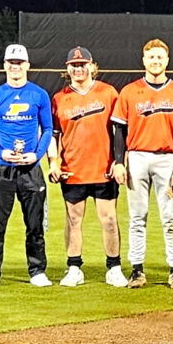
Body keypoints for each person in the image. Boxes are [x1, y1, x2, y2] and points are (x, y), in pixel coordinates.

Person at [109, 38, 173, 289]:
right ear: (143, 60)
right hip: (137, 159)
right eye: (151, 57)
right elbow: (119, 131)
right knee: (137, 217)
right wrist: (119, 162)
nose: (155, 61)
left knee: (170, 217)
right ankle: (136, 269)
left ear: (167, 61)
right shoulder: (129, 91)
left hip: (168, 161)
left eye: (160, 57)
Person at [47, 46, 128, 287]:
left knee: (110, 219)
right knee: (73, 220)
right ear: (67, 68)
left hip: (103, 168)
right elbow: (53, 134)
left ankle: (114, 267)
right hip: (72, 169)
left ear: (92, 66)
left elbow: (120, 130)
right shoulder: (60, 98)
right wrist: (53, 162)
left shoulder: (109, 93)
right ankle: (74, 267)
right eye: (74, 65)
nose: (78, 69)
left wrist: (119, 161)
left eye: (83, 64)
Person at [0, 44, 53, 289]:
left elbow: (48, 130)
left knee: (34, 223)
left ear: (27, 66)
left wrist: (36, 155)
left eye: (19, 62)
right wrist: (1, 152)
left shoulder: (39, 95)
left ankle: (37, 270)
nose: (15, 66)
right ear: (4, 66)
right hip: (3, 169)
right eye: (11, 62)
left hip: (30, 169)